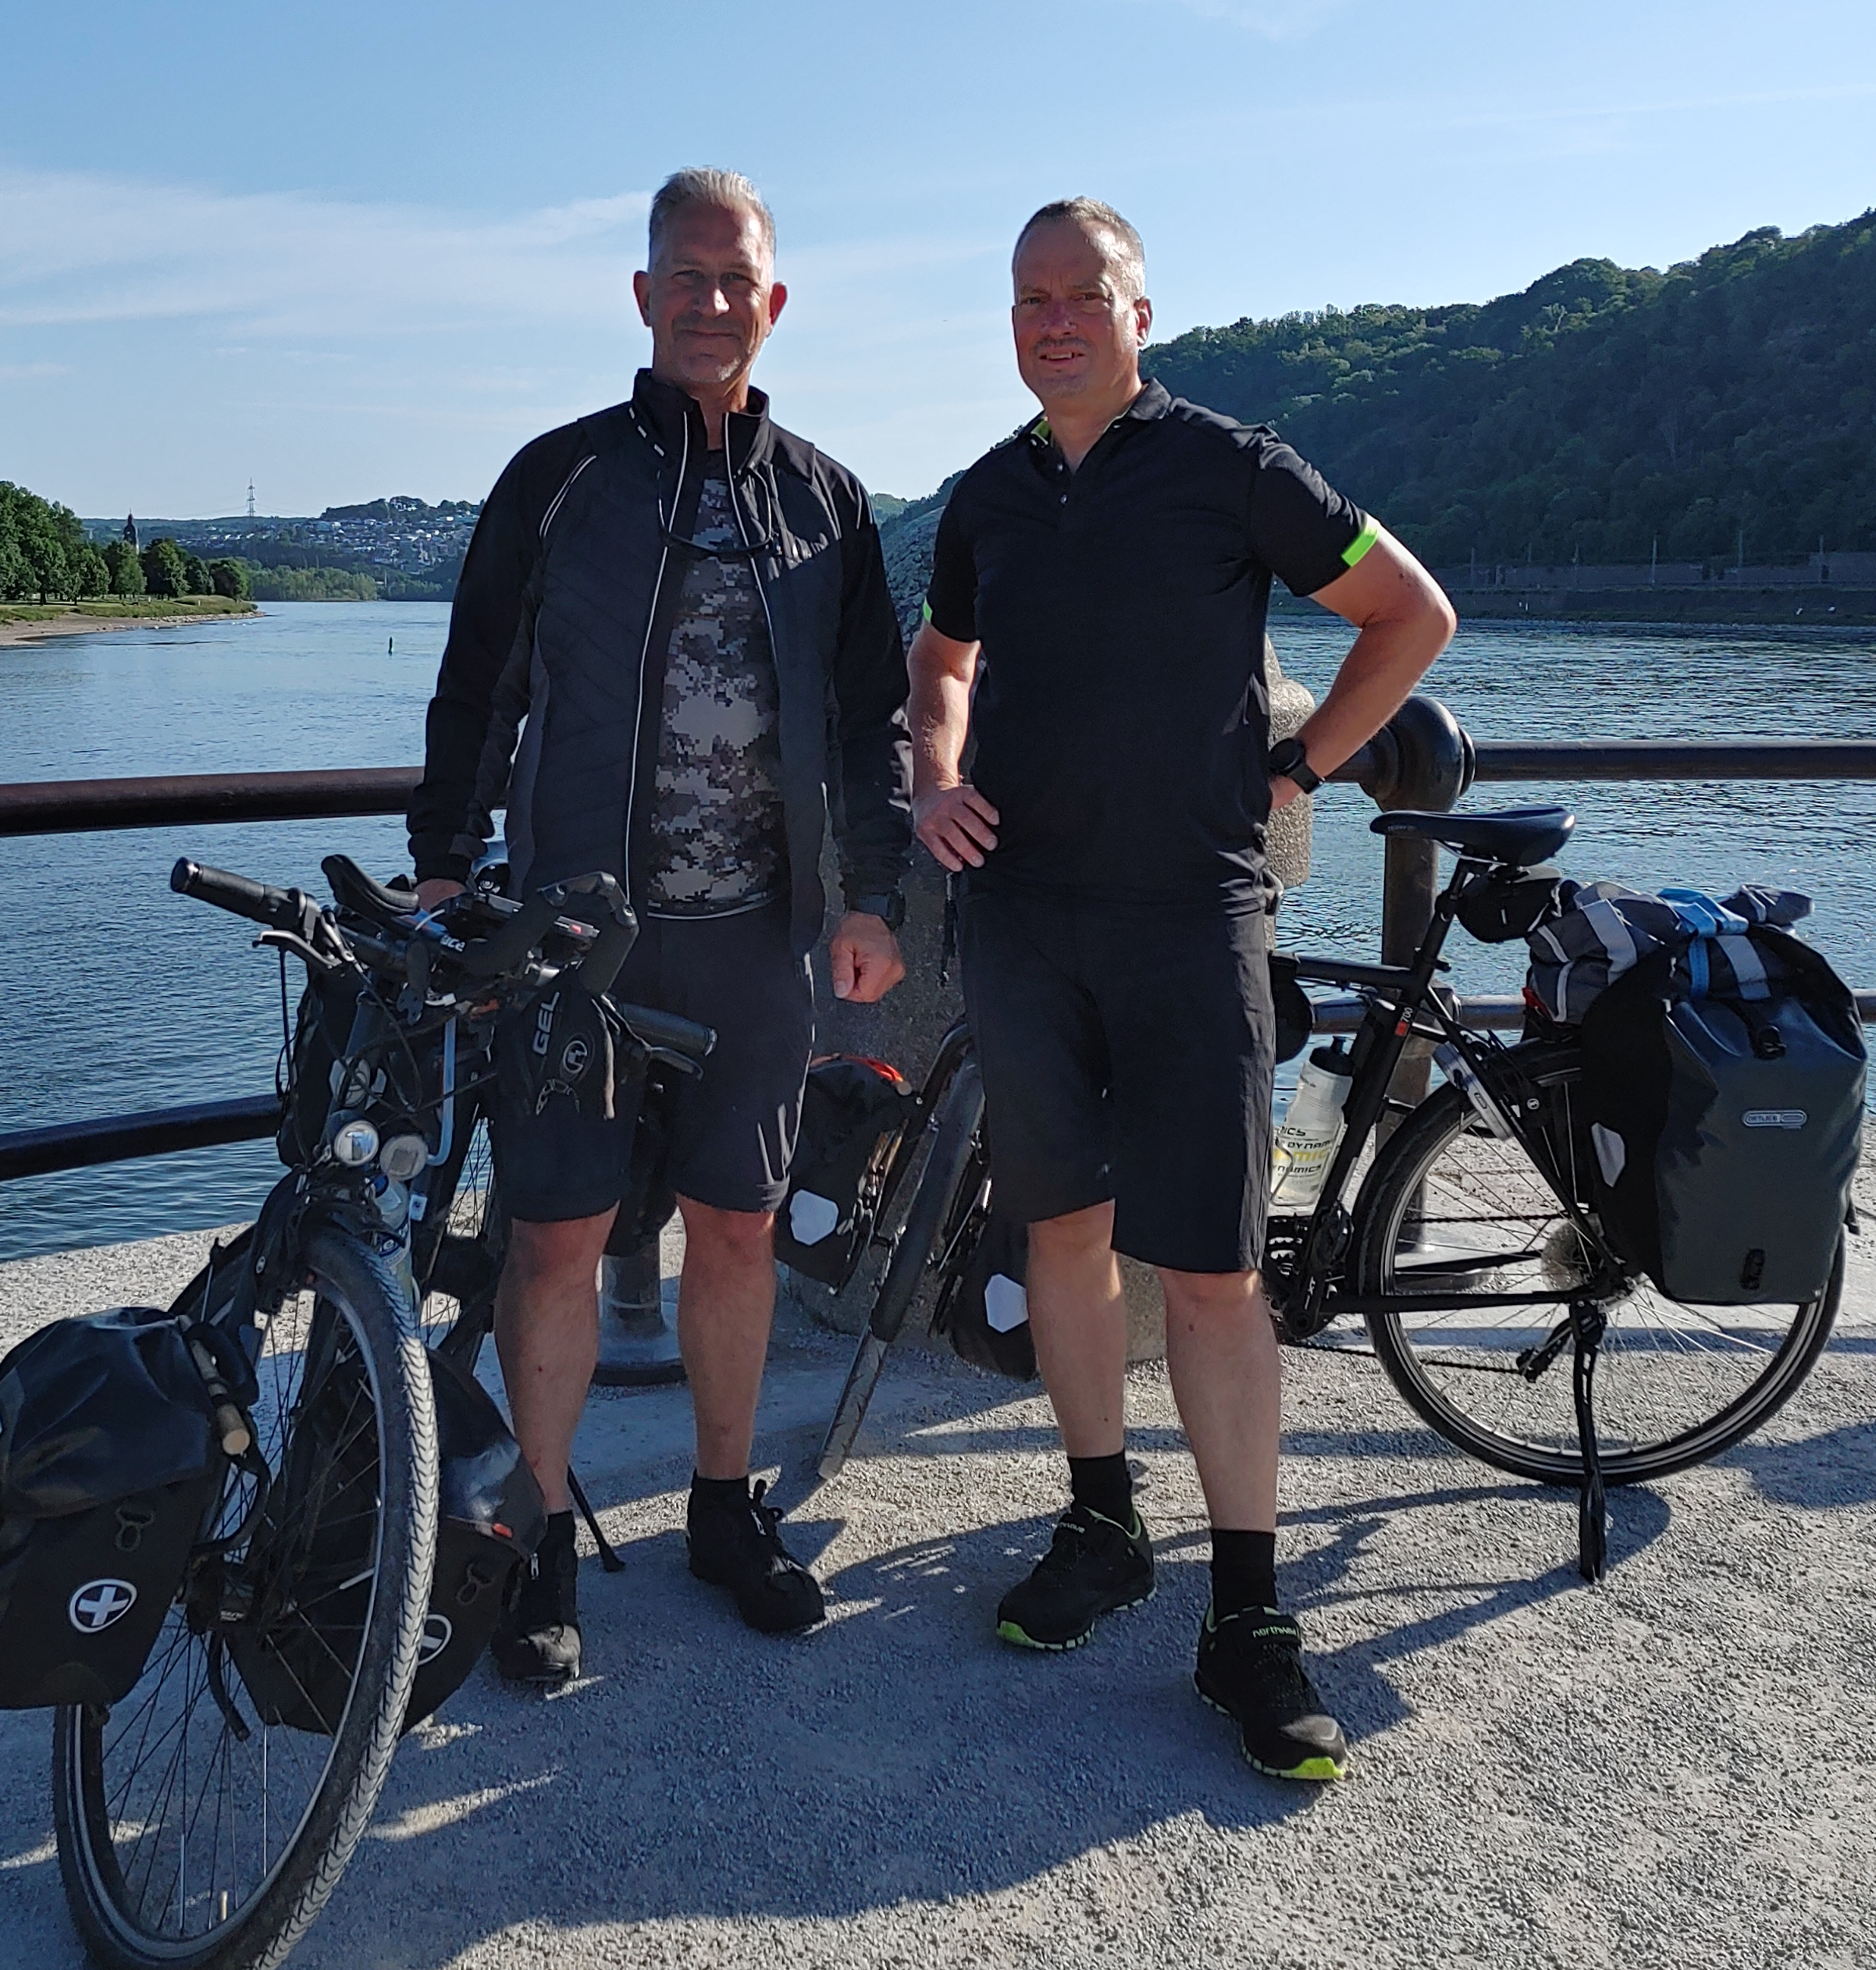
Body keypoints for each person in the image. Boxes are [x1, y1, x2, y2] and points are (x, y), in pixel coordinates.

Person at [908, 198, 1455, 1782]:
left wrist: (1300, 759)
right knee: (1063, 1235)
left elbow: (1409, 616)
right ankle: (1101, 1521)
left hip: (1190, 921)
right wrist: (933, 779)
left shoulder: (1232, 465)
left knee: (1214, 1270)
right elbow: (942, 664)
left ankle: (1251, 1617)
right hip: (1021, 921)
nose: (1054, 320)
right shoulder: (984, 499)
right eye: (1030, 299)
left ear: (1143, 309)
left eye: (1085, 294)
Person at [408, 168, 911, 1684]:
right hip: (578, 936)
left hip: (758, 937)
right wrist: (446, 862)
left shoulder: (824, 500)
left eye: (734, 278)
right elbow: (475, 676)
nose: (709, 301)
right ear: (643, 298)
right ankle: (539, 1539)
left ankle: (718, 1503)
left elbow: (871, 715)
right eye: (682, 278)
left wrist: (876, 893)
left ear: (774, 301)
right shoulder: (560, 479)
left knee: (744, 1227)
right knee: (556, 1236)